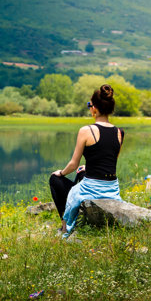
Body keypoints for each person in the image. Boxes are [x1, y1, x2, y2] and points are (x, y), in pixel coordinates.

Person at [48, 84, 125, 236]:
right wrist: (88, 167)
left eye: (89, 105)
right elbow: (110, 162)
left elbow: (73, 164)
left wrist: (61, 173)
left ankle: (65, 225)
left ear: (94, 108)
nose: (90, 108)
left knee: (55, 179)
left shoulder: (86, 131)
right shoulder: (119, 132)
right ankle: (79, 218)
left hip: (93, 188)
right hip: (111, 189)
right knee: (82, 173)